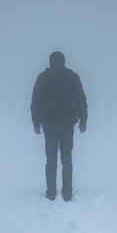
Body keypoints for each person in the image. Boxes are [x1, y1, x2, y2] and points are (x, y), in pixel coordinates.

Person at [31, 51, 88, 201]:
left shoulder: (43, 78)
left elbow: (35, 102)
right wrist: (83, 120)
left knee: (51, 160)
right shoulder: (72, 77)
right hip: (67, 124)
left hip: (49, 124)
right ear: (64, 61)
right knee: (67, 159)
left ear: (50, 62)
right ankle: (67, 192)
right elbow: (81, 99)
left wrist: (36, 123)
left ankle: (51, 192)